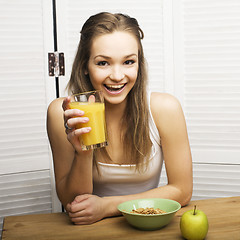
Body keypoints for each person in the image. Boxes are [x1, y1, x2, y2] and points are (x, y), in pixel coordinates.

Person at [47, 12, 192, 225]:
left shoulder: (165, 109)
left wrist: (107, 206)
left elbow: (182, 190)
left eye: (128, 62)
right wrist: (83, 154)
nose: (117, 76)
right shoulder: (62, 112)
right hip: (89, 229)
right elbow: (73, 203)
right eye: (103, 63)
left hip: (145, 223)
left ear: (139, 65)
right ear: (85, 66)